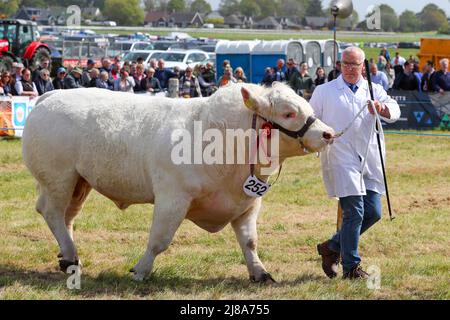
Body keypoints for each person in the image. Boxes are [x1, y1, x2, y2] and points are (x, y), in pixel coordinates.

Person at [310, 47, 400, 280]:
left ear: (364, 66)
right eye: (346, 64)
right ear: (340, 64)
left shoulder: (374, 89)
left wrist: (381, 108)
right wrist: (321, 135)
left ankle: (331, 246)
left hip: (369, 157)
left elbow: (395, 111)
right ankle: (351, 268)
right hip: (340, 157)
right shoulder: (324, 91)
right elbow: (311, 120)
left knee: (374, 211)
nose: (350, 68)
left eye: (355, 64)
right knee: (355, 212)